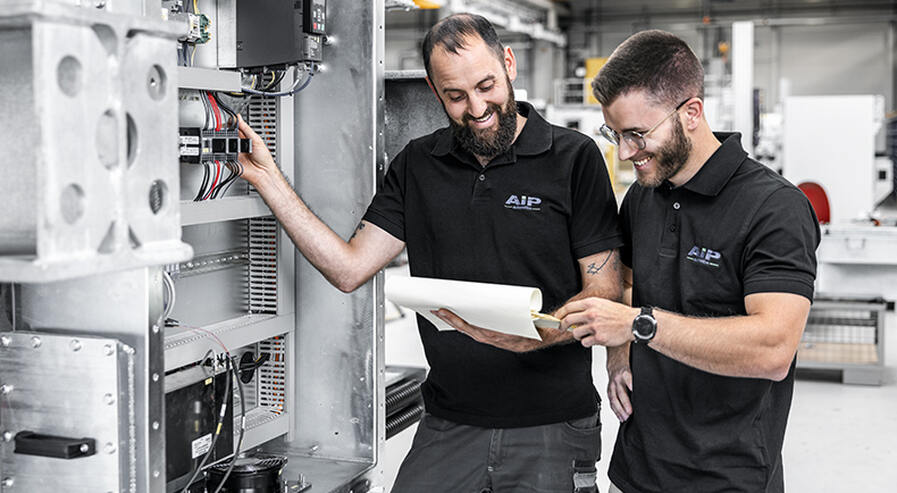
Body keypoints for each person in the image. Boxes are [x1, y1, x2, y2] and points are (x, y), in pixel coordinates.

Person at [235, 13, 623, 493]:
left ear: (508, 63)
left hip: (552, 425)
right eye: (456, 96)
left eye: (486, 86)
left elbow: (605, 291)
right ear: (434, 90)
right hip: (448, 420)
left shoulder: (574, 157)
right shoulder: (418, 164)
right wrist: (270, 180)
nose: (477, 108)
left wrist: (539, 337)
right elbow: (349, 268)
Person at [555, 30, 820, 493]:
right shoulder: (643, 197)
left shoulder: (774, 208)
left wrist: (638, 326)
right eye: (614, 134)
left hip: (728, 475)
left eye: (638, 134)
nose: (626, 152)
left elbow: (774, 348)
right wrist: (618, 356)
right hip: (637, 468)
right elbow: (630, 288)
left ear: (692, 112)